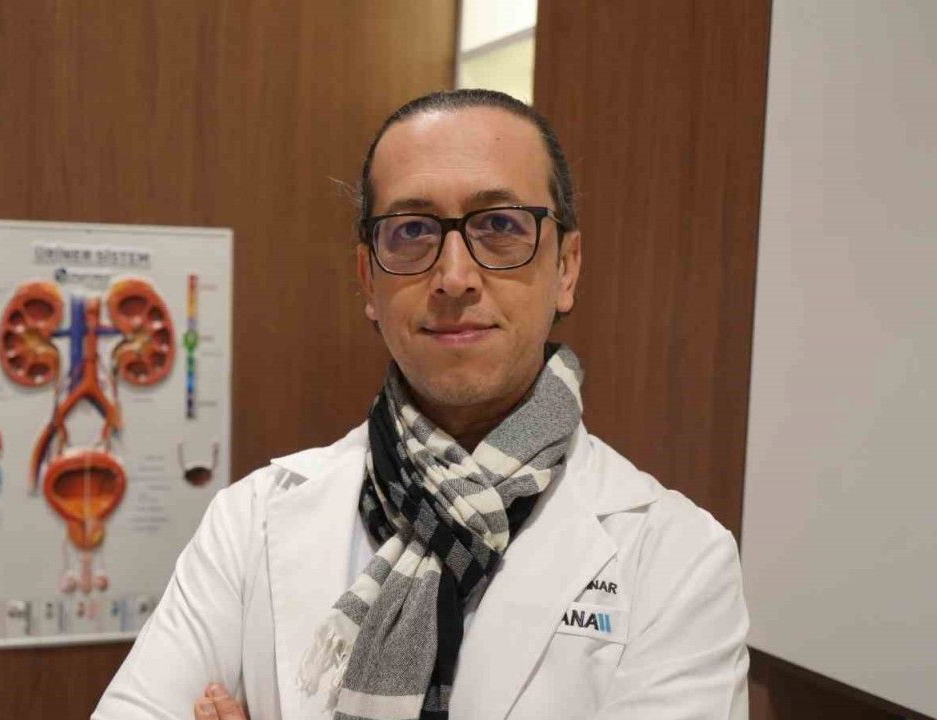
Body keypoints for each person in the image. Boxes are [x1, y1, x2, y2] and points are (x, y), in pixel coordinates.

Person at [93, 89, 749, 720]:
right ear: (368, 280)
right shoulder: (250, 520)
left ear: (567, 267)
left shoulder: (677, 557)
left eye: (500, 225)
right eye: (411, 231)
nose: (454, 277)